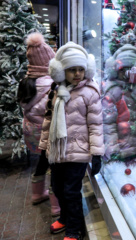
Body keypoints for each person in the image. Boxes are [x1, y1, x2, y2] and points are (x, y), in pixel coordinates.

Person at [39, 41, 104, 240]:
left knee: (71, 191)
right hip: (58, 151)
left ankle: (75, 229)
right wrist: (43, 148)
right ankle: (66, 217)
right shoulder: (56, 91)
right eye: (71, 70)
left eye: (81, 69)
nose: (77, 74)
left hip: (78, 152)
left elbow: (95, 125)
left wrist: (97, 154)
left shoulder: (90, 93)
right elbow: (48, 121)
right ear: (61, 71)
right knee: (57, 188)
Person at [17, 32, 60, 217]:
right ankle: (56, 206)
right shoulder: (51, 84)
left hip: (32, 132)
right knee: (55, 168)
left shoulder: (25, 82)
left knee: (41, 162)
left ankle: (36, 195)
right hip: (47, 134)